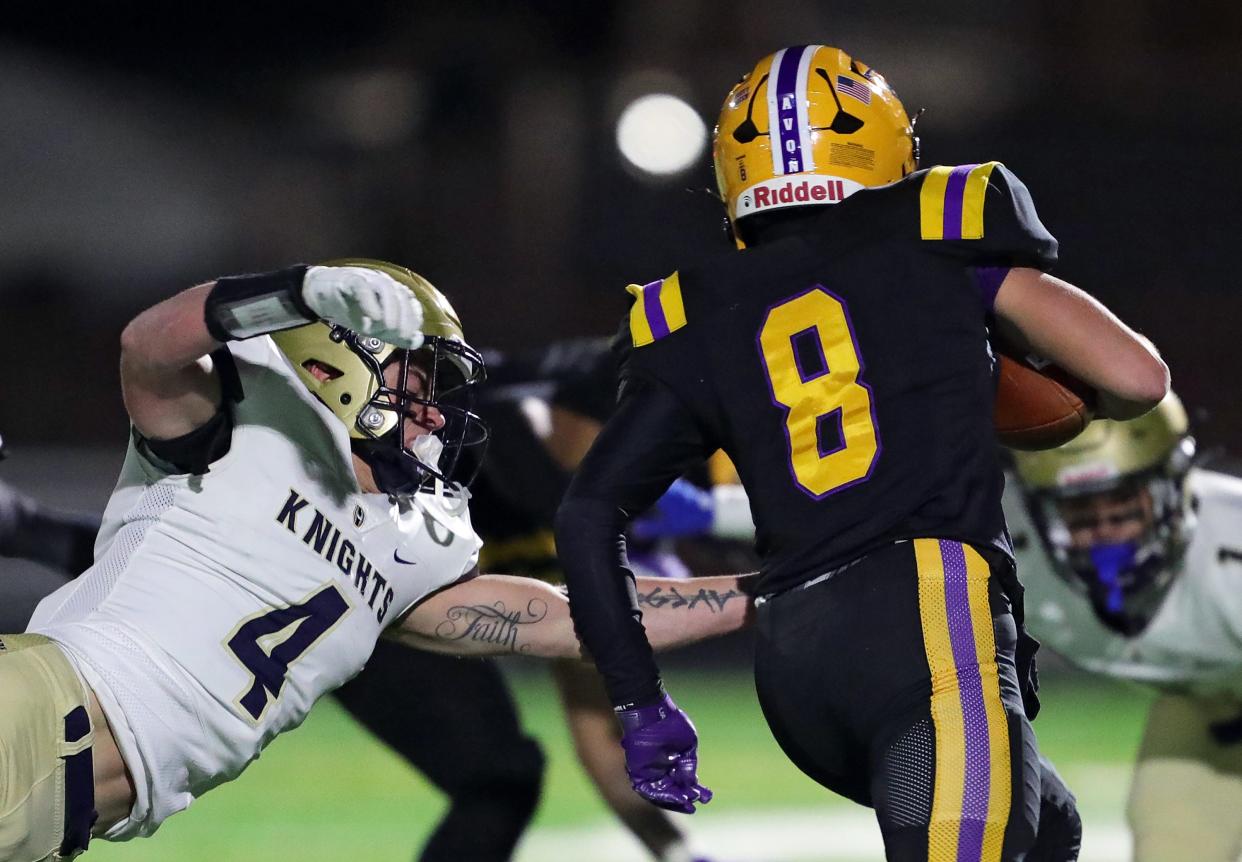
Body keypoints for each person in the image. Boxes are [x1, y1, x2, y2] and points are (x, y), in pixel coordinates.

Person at [555, 44, 1168, 862]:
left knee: (1046, 832)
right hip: (926, 622)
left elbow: (590, 513)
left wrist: (638, 702)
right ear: (881, 143)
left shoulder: (684, 308)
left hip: (798, 671)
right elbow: (1135, 377)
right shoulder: (936, 221)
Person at [0, 260, 754, 862]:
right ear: (335, 355)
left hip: (70, 815)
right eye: (420, 382)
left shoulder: (419, 541)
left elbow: (569, 620)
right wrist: (296, 291)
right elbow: (148, 345)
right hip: (40, 709)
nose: (434, 413)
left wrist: (770, 590)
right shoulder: (248, 415)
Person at [1006, 392, 1242, 862]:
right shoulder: (1010, 548)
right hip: (1208, 709)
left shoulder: (1230, 549)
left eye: (1124, 509)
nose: (1105, 535)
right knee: (1170, 843)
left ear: (1175, 489)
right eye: (1079, 514)